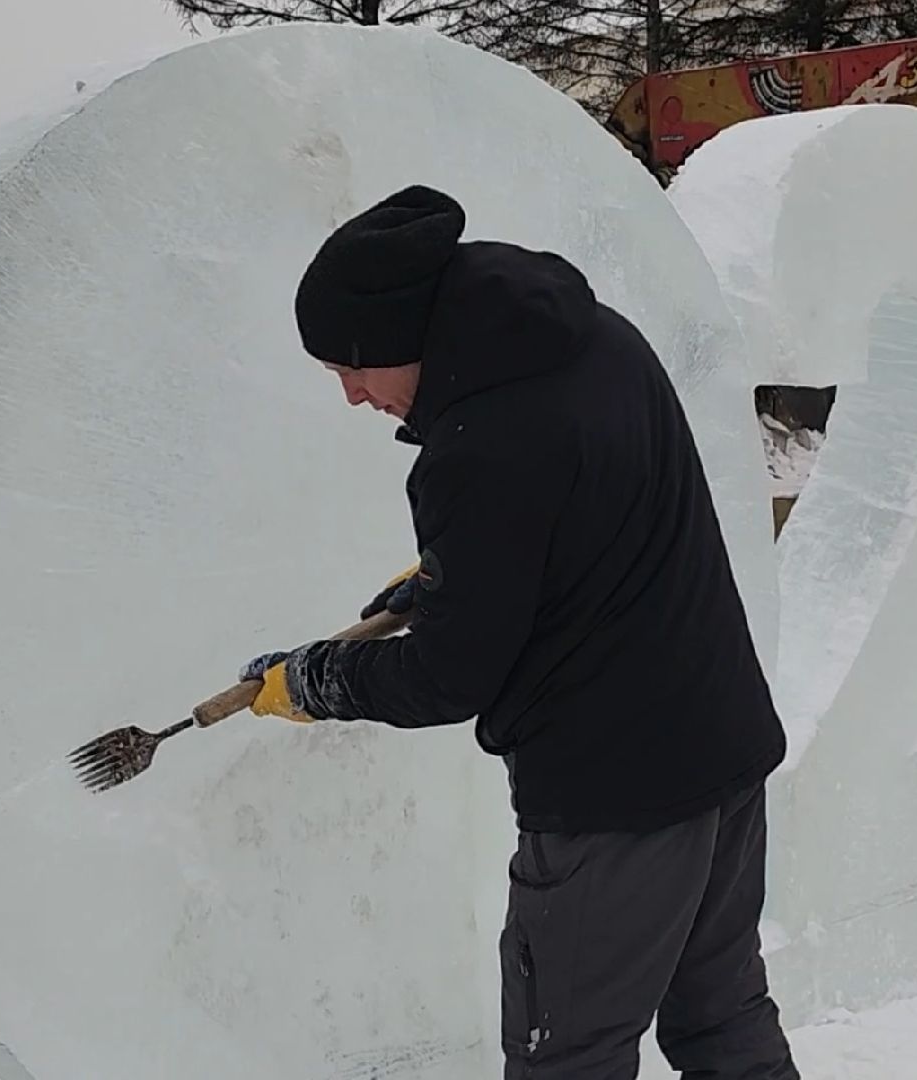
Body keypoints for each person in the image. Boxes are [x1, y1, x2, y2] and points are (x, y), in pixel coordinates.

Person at [241, 184, 800, 1080]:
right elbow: (586, 518)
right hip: (721, 749)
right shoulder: (596, 340)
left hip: (611, 803)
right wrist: (448, 581)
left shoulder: (478, 445)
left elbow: (449, 678)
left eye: (353, 368)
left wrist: (316, 682)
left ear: (402, 336)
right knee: (721, 1016)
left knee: (566, 1054)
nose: (351, 396)